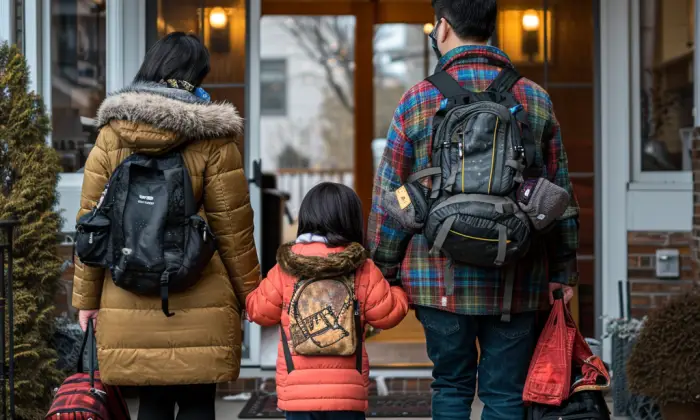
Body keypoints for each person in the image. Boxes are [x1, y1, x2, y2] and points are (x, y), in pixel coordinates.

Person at [366, 1, 579, 419]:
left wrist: (383, 272)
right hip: (518, 277)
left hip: (437, 278)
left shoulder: (418, 99)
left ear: (442, 27)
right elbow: (560, 196)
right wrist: (563, 272)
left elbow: (391, 198)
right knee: (504, 393)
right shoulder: (534, 98)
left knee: (450, 386)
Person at [72, 32, 260, 419]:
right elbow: (233, 230)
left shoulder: (110, 135)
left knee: (152, 403)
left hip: (128, 289)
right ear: (194, 77)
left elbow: (91, 225)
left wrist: (86, 301)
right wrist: (252, 295)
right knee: (197, 403)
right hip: (200, 290)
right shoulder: (215, 139)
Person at [246, 182, 409, 420]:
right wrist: (399, 290)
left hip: (297, 395)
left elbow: (259, 311)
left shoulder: (286, 268)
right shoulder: (362, 268)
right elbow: (388, 314)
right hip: (347, 395)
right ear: (352, 220)